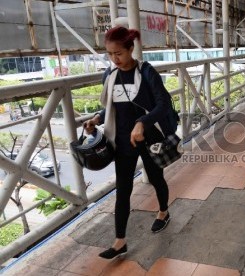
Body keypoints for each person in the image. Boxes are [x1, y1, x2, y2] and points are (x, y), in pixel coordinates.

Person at [84, 26, 172, 260]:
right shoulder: (110, 75)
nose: (115, 59)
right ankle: (120, 240)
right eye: (110, 54)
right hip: (123, 141)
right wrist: (96, 119)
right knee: (123, 189)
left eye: (119, 53)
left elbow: (163, 104)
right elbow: (111, 107)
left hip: (149, 137)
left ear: (131, 49)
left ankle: (164, 212)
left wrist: (142, 122)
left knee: (155, 178)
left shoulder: (147, 72)